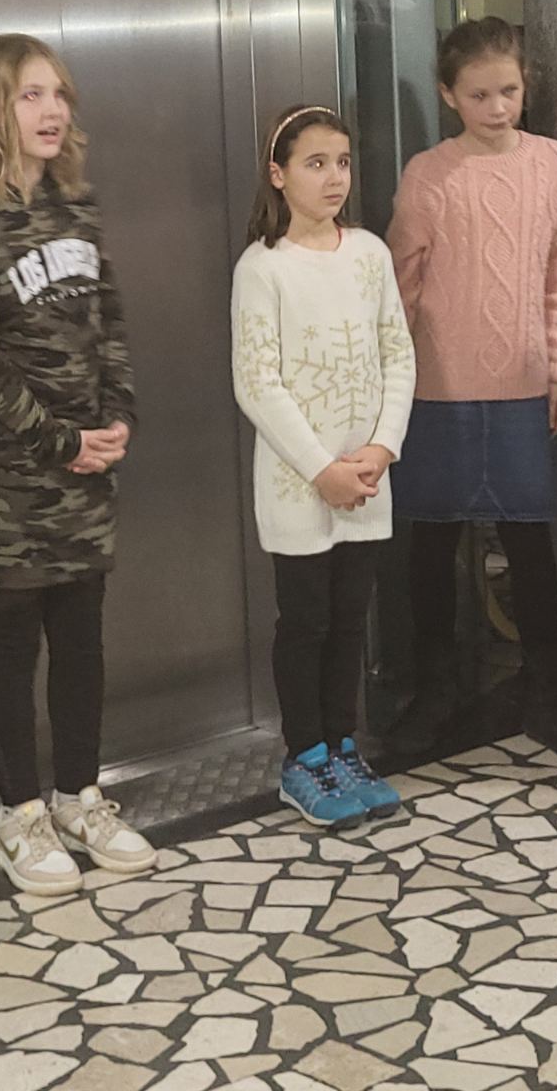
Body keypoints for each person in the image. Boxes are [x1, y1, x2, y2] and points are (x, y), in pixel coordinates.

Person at [0, 32, 156, 895]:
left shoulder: (76, 211)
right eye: (31, 94)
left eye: (58, 93)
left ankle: (79, 799)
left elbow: (111, 326)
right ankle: (17, 815)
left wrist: (118, 417)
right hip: (8, 481)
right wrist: (61, 441)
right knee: (13, 640)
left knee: (82, 637)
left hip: (88, 473)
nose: (52, 109)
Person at [383, 16, 557, 769]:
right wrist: (390, 385)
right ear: (449, 94)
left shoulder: (555, 163)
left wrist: (554, 368)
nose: (497, 107)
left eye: (508, 91)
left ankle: (546, 695)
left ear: (525, 86)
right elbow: (400, 284)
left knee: (529, 540)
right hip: (436, 387)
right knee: (431, 541)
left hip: (519, 381)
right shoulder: (428, 173)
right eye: (479, 94)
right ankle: (435, 690)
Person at [231, 104, 416, 828]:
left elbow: (397, 352)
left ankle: (343, 745)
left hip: (366, 478)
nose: (334, 177)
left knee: (349, 618)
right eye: (315, 163)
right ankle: (304, 757)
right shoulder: (263, 266)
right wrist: (322, 470)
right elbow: (257, 382)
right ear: (278, 175)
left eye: (342, 162)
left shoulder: (368, 253)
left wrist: (382, 447)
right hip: (300, 485)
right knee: (305, 619)